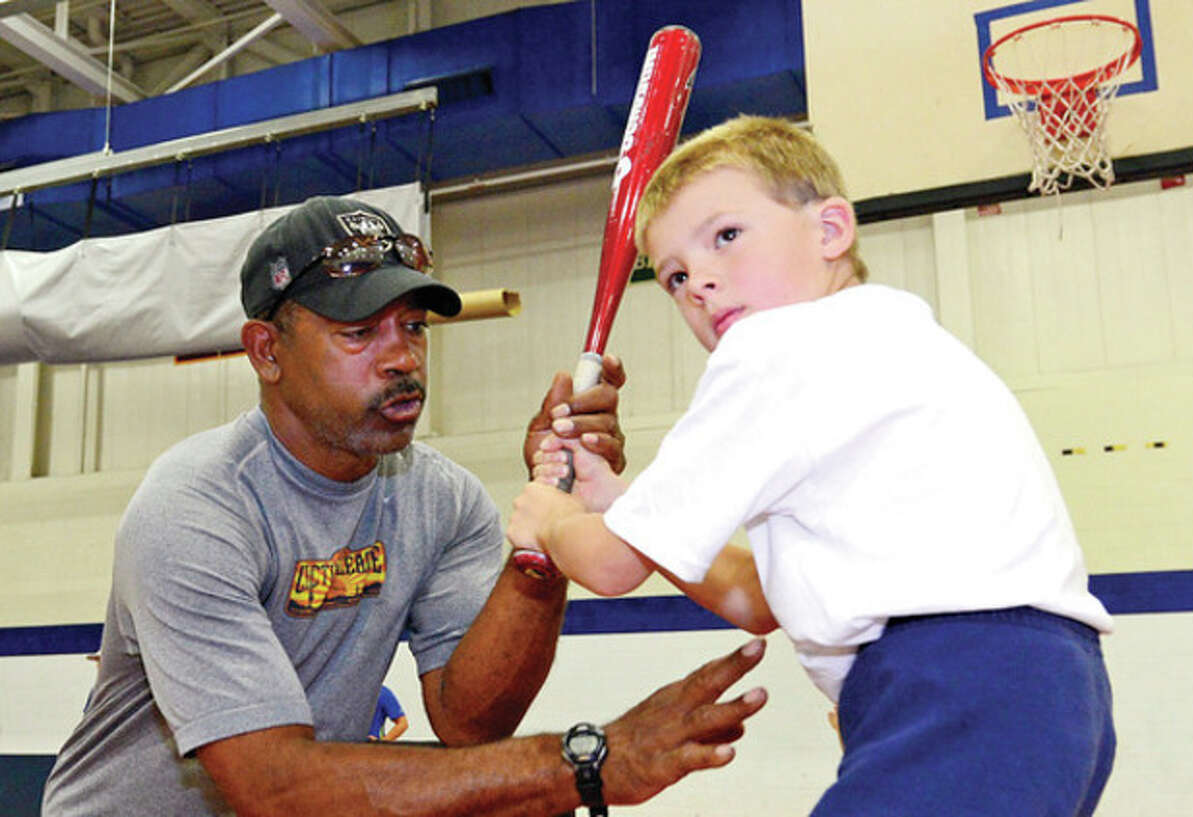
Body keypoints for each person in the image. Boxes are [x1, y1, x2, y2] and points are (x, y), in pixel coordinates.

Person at [41, 195, 768, 817]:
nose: (402, 359)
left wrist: (550, 526)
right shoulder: (196, 503)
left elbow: (471, 719)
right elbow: (274, 784)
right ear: (266, 351)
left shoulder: (438, 497)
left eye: (413, 327)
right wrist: (585, 761)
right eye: (359, 332)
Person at [507, 115, 1117, 816]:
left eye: (726, 236)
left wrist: (550, 519)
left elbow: (613, 566)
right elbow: (757, 599)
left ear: (831, 230)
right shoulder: (885, 340)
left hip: (957, 682)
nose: (699, 281)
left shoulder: (774, 350)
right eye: (673, 276)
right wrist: (621, 504)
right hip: (1055, 698)